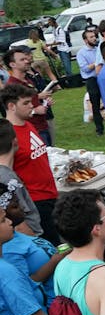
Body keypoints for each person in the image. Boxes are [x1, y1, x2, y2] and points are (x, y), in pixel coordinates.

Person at [0, 82, 59, 243]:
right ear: (11, 106)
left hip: (50, 193)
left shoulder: (29, 124)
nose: (31, 106)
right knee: (51, 247)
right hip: (35, 201)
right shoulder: (7, 136)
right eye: (25, 103)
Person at [76, 25, 105, 136]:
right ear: (85, 40)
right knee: (95, 105)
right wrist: (97, 63)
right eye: (91, 37)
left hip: (102, 77)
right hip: (91, 80)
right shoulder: (81, 53)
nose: (94, 38)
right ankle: (99, 129)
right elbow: (85, 68)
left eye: (94, 36)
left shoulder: (98, 49)